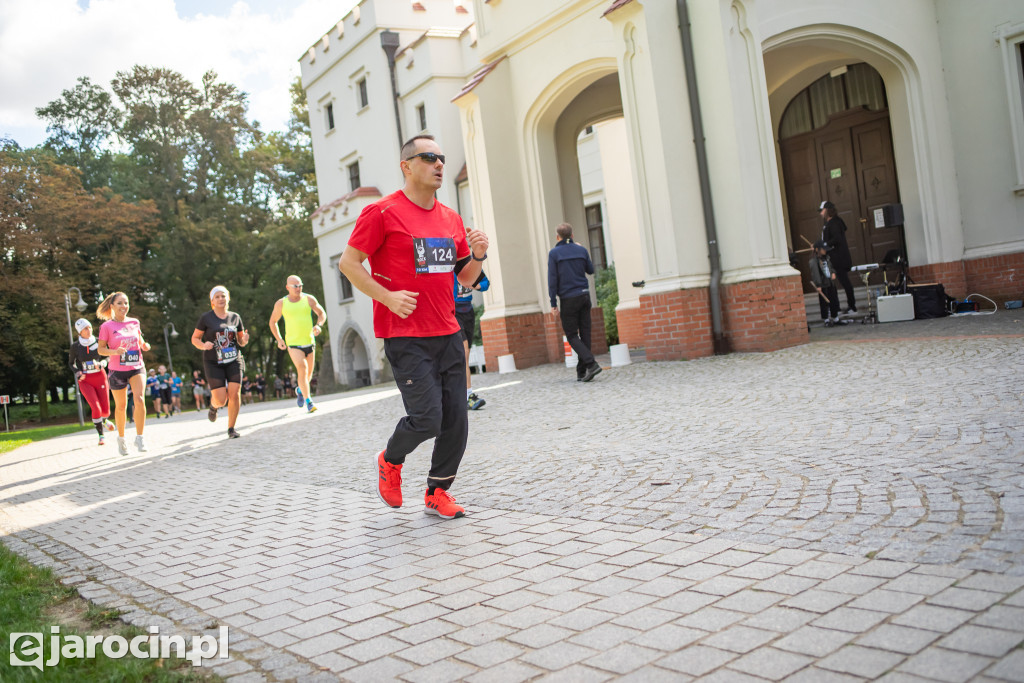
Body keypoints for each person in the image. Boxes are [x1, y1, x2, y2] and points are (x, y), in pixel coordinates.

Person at [339, 134, 489, 520]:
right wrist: (387, 297)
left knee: (456, 419)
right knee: (427, 418)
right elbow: (349, 263)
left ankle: (437, 492)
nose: (439, 164)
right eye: (429, 157)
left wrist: (478, 255)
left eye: (441, 157)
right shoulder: (382, 213)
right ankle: (390, 460)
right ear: (406, 166)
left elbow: (466, 278)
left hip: (447, 332)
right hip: (405, 335)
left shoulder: (451, 219)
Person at [96, 291, 151, 455]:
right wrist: (114, 352)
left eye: (126, 303)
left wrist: (145, 345)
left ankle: (140, 437)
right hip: (117, 370)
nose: (124, 306)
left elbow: (140, 341)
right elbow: (100, 349)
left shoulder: (135, 322)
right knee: (121, 407)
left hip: (136, 366)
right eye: (120, 303)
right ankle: (121, 438)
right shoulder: (106, 327)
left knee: (139, 399)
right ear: (112, 306)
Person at [192, 286, 249, 439]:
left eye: (223, 296)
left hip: (233, 359)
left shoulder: (235, 317)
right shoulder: (206, 318)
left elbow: (240, 341)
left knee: (235, 394)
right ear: (212, 301)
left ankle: (231, 428)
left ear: (228, 298)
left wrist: (244, 341)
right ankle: (213, 406)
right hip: (213, 361)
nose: (220, 299)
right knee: (221, 399)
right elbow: (195, 339)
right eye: (217, 297)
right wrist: (203, 345)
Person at [548, 222, 602, 382]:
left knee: (571, 334)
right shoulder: (581, 250)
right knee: (585, 333)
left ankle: (591, 364)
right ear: (572, 236)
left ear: (557, 237)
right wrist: (581, 250)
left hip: (568, 298)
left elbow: (552, 280)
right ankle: (582, 371)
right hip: (585, 296)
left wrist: (553, 303)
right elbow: (591, 270)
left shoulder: (554, 254)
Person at [269, 275, 327, 413]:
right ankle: (309, 402)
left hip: (309, 341)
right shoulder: (281, 303)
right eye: (295, 286)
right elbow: (273, 322)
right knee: (302, 368)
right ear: (287, 287)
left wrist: (319, 325)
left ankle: (301, 390)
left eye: (300, 285)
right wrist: (279, 339)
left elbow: (321, 313)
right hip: (293, 343)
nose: (299, 288)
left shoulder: (309, 299)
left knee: (308, 376)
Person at [68, 318, 114, 445]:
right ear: (79, 332)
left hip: (100, 377)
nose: (88, 331)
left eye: (89, 327)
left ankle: (104, 420)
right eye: (84, 329)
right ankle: (101, 435)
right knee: (96, 407)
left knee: (105, 410)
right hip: (85, 380)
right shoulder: (75, 347)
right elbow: (71, 363)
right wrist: (77, 372)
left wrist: (103, 363)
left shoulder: (99, 342)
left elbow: (109, 355)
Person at [454, 272, 489, 410]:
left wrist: (476, 285)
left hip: (468, 311)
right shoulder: (446, 265)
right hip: (452, 311)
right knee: (464, 352)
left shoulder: (470, 266)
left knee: (462, 357)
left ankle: (463, 395)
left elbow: (486, 283)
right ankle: (468, 396)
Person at [819, 200, 857, 315]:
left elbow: (837, 239)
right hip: (833, 259)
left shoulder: (835, 223)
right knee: (833, 284)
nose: (820, 213)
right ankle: (836, 307)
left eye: (822, 210)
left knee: (845, 282)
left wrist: (824, 245)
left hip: (839, 258)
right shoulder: (829, 223)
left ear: (827, 210)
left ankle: (852, 306)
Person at [809, 240, 850, 328]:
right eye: (823, 249)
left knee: (834, 300)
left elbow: (830, 267)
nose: (825, 251)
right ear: (817, 250)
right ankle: (826, 320)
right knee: (824, 303)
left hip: (830, 283)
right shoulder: (814, 261)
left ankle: (835, 318)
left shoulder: (827, 258)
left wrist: (833, 272)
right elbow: (815, 274)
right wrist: (818, 285)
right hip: (823, 284)